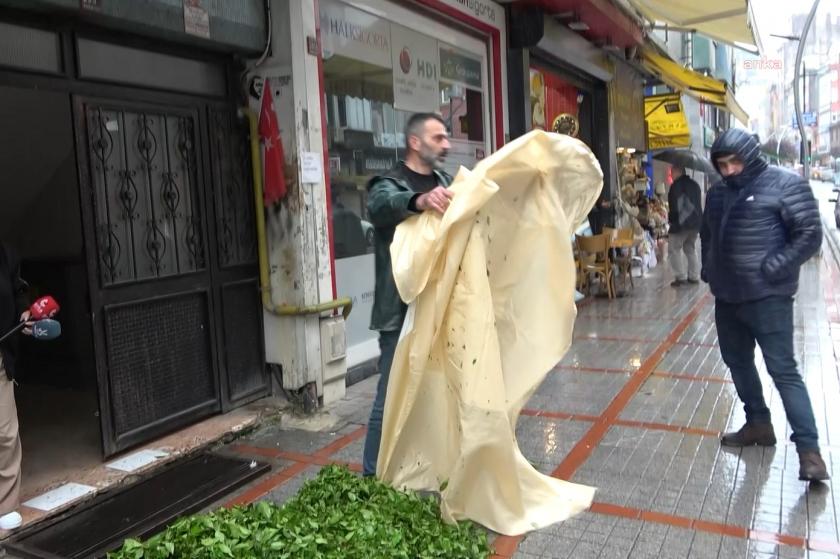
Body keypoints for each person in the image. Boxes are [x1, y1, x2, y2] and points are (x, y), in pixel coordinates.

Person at [701, 128, 828, 482]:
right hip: (727, 297)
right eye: (722, 164)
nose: (728, 170)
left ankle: (809, 451)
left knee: (783, 370)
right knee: (737, 362)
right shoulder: (717, 194)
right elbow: (706, 232)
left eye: (734, 162)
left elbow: (809, 235)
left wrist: (775, 266)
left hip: (768, 297)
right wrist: (707, 266)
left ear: (751, 156)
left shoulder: (786, 185)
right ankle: (758, 423)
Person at [362, 113, 452, 477]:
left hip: (437, 305)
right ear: (415, 142)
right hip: (398, 310)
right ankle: (370, 477)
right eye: (438, 137)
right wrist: (420, 201)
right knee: (390, 397)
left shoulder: (446, 182)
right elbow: (382, 206)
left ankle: (420, 467)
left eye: (446, 137)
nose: (446, 144)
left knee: (434, 392)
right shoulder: (389, 182)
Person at [0, 243, 32, 529]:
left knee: (5, 432)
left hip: (0, 356)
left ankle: (6, 505)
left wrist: (24, 312)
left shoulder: (6, 254)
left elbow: (18, 288)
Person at [667, 166, 702, 286]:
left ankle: (680, 277)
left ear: (679, 171)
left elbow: (675, 207)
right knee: (690, 248)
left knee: (673, 249)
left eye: (672, 172)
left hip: (681, 223)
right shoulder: (695, 185)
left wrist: (672, 221)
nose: (671, 174)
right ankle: (694, 276)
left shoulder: (676, 186)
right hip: (695, 223)